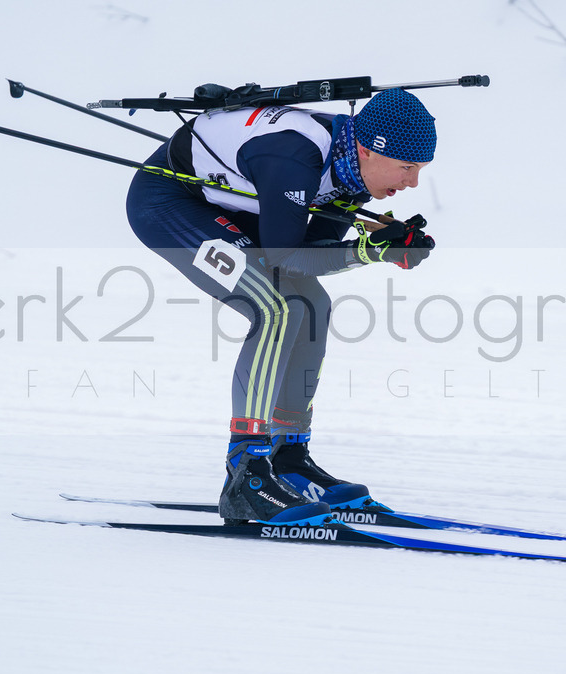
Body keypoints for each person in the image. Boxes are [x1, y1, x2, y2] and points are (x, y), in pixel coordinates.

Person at [125, 87, 437, 526]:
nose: (412, 183)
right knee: (276, 308)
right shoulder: (294, 157)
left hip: (230, 205)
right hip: (170, 204)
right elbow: (284, 257)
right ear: (368, 150)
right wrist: (369, 253)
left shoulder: (350, 168)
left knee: (310, 305)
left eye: (421, 170)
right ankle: (247, 475)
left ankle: (287, 457)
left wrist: (378, 244)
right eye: (407, 168)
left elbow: (312, 250)